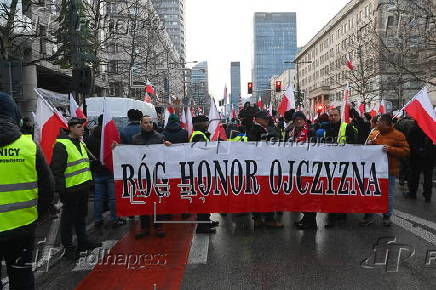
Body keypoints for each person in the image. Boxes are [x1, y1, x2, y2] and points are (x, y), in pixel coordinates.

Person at [0, 93, 54, 290]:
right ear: (15, 114)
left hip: (22, 227)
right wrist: (36, 215)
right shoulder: (28, 146)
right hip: (22, 228)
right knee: (22, 277)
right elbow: (48, 187)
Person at [297, 108, 357, 230]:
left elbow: (353, 145)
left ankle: (340, 214)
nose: (333, 117)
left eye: (335, 115)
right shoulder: (325, 128)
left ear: (340, 116)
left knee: (340, 190)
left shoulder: (347, 127)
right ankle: (332, 216)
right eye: (331, 115)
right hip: (328, 163)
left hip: (342, 163)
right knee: (331, 190)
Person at [51, 117, 101, 259]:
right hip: (71, 189)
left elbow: (81, 164)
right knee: (68, 220)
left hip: (83, 187)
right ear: (71, 128)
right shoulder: (62, 145)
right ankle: (68, 248)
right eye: (79, 127)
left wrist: (93, 165)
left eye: (82, 127)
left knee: (80, 217)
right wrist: (62, 192)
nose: (82, 129)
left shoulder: (80, 142)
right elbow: (57, 171)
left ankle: (83, 241)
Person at [360, 114, 410, 226]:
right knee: (370, 192)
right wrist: (369, 144)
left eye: (379, 121)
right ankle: (369, 215)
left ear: (385, 122)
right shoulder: (375, 133)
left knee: (388, 194)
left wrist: (390, 149)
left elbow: (406, 151)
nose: (377, 122)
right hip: (373, 170)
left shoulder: (398, 135)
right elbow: (366, 149)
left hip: (389, 170)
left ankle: (387, 216)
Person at [132, 115, 172, 239]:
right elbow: (128, 153)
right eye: (145, 122)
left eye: (150, 122)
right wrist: (117, 148)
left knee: (158, 201)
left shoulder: (160, 138)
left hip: (157, 174)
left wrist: (168, 146)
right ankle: (144, 227)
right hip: (142, 175)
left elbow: (167, 155)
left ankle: (158, 225)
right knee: (144, 202)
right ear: (141, 124)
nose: (148, 124)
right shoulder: (135, 139)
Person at [86, 115, 126, 229]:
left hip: (97, 170)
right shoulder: (110, 137)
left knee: (98, 198)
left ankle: (98, 219)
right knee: (113, 197)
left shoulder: (90, 138)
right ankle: (115, 219)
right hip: (110, 171)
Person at [248, 111, 284, 229]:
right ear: (258, 119)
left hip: (259, 166)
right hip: (263, 166)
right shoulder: (257, 130)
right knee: (266, 193)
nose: (267, 120)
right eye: (265, 118)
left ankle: (258, 218)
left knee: (258, 193)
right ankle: (269, 218)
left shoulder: (259, 129)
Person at [189, 115, 220, 233]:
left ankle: (206, 220)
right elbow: (201, 152)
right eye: (205, 121)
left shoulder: (201, 133)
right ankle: (202, 225)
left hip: (204, 169)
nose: (208, 122)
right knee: (203, 198)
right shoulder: (198, 135)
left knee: (206, 198)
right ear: (199, 123)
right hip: (201, 170)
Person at [403, 120, 435, 201]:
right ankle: (428, 195)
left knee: (414, 174)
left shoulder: (414, 126)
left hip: (416, 155)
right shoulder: (432, 125)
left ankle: (412, 193)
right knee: (428, 175)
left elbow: (409, 141)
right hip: (430, 155)